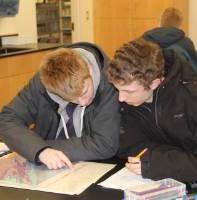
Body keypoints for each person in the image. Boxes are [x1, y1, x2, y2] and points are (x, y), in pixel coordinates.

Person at [0, 42, 120, 170]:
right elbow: (8, 119)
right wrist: (41, 151)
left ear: (89, 68)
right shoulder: (46, 80)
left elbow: (104, 144)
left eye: (84, 92)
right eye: (70, 99)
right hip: (49, 167)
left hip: (95, 166)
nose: (82, 103)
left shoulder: (111, 83)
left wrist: (38, 147)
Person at [106, 38, 197, 183]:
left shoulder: (193, 98)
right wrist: (178, 159)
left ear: (154, 83)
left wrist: (159, 163)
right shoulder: (130, 100)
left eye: (129, 91)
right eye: (117, 89)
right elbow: (129, 146)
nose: (121, 98)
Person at [143, 7, 197, 74]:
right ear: (180, 24)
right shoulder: (186, 43)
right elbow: (196, 68)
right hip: (178, 82)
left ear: (160, 22)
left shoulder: (144, 41)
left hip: (150, 81)